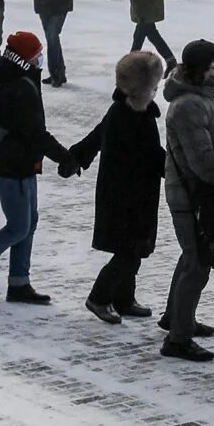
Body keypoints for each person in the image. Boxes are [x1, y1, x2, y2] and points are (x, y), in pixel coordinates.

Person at [0, 32, 72, 304]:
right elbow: (34, 132)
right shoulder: (17, 88)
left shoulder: (8, 78)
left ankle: (19, 283)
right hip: (11, 167)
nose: (39, 59)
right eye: (35, 55)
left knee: (28, 224)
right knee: (19, 227)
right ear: (23, 58)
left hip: (20, 164)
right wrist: (64, 157)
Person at [63, 50, 170, 326]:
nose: (157, 88)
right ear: (142, 86)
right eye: (154, 83)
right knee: (130, 252)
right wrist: (174, 170)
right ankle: (99, 297)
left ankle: (124, 298)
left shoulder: (125, 108)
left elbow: (97, 134)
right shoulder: (132, 115)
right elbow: (150, 154)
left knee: (132, 247)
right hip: (128, 196)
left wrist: (78, 156)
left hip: (127, 192)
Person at [156, 39, 214, 359]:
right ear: (199, 69)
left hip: (194, 193)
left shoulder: (199, 97)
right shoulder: (189, 105)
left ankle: (176, 317)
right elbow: (203, 161)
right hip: (190, 196)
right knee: (198, 264)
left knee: (190, 256)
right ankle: (178, 339)